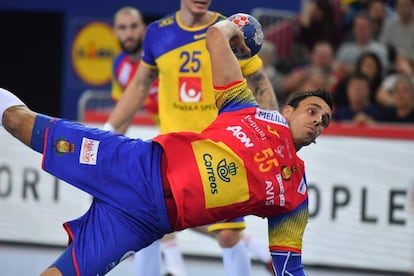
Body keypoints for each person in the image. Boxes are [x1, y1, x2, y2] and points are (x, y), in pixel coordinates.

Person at [0, 19, 334, 276]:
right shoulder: (243, 106)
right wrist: (238, 26)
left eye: (325, 120)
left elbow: (289, 266)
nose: (318, 120)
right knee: (18, 122)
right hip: (131, 164)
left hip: (141, 222)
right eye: (312, 110)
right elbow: (215, 37)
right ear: (287, 110)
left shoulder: (295, 195)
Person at [104, 1, 278, 275]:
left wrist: (275, 133)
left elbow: (259, 79)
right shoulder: (157, 32)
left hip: (220, 149)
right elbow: (139, 85)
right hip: (173, 151)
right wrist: (108, 131)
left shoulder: (229, 28)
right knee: (147, 220)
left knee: (228, 235)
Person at [110, 7, 159, 135]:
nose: (129, 34)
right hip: (147, 135)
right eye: (122, 27)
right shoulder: (118, 65)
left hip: (175, 132)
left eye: (134, 26)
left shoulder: (160, 59)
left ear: (143, 29)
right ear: (115, 32)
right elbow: (124, 115)